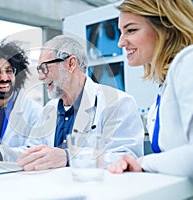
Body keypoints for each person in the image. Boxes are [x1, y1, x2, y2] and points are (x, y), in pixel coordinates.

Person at [17, 35, 145, 171]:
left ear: (71, 64)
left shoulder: (118, 103)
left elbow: (127, 158)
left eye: (45, 68)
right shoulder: (49, 109)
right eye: (39, 70)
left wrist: (68, 157)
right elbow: (32, 151)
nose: (41, 76)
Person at [107, 0, 193, 178]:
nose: (121, 43)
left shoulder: (188, 62)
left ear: (167, 28)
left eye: (131, 30)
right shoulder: (164, 85)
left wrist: (142, 162)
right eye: (120, 32)